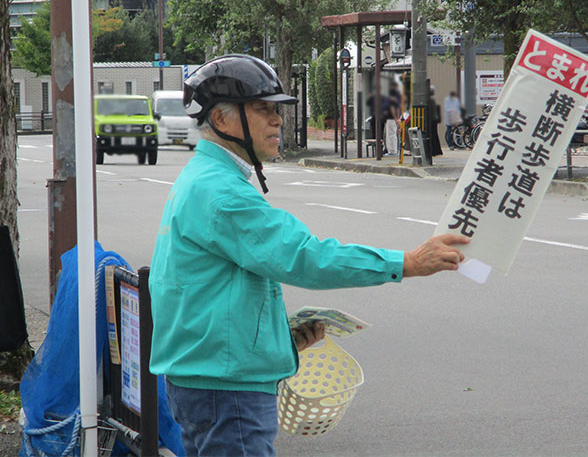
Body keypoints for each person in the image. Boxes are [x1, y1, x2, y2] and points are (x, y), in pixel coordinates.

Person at [149, 54, 470, 457]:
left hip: (206, 376)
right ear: (222, 120)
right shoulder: (222, 193)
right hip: (226, 388)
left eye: (277, 110)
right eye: (263, 110)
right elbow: (303, 257)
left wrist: (279, 341)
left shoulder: (203, 179)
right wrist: (405, 263)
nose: (278, 120)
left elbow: (212, 294)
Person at [384, 80, 401, 156]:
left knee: (391, 134)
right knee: (391, 134)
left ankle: (392, 151)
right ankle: (391, 150)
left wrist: (396, 118)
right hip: (392, 118)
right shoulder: (397, 95)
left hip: (391, 118)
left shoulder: (393, 95)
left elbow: (393, 107)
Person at [428, 86, 443, 156]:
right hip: (434, 120)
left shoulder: (429, 100)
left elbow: (429, 111)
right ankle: (437, 150)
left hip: (431, 120)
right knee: (434, 135)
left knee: (432, 135)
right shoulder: (432, 99)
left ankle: (434, 151)